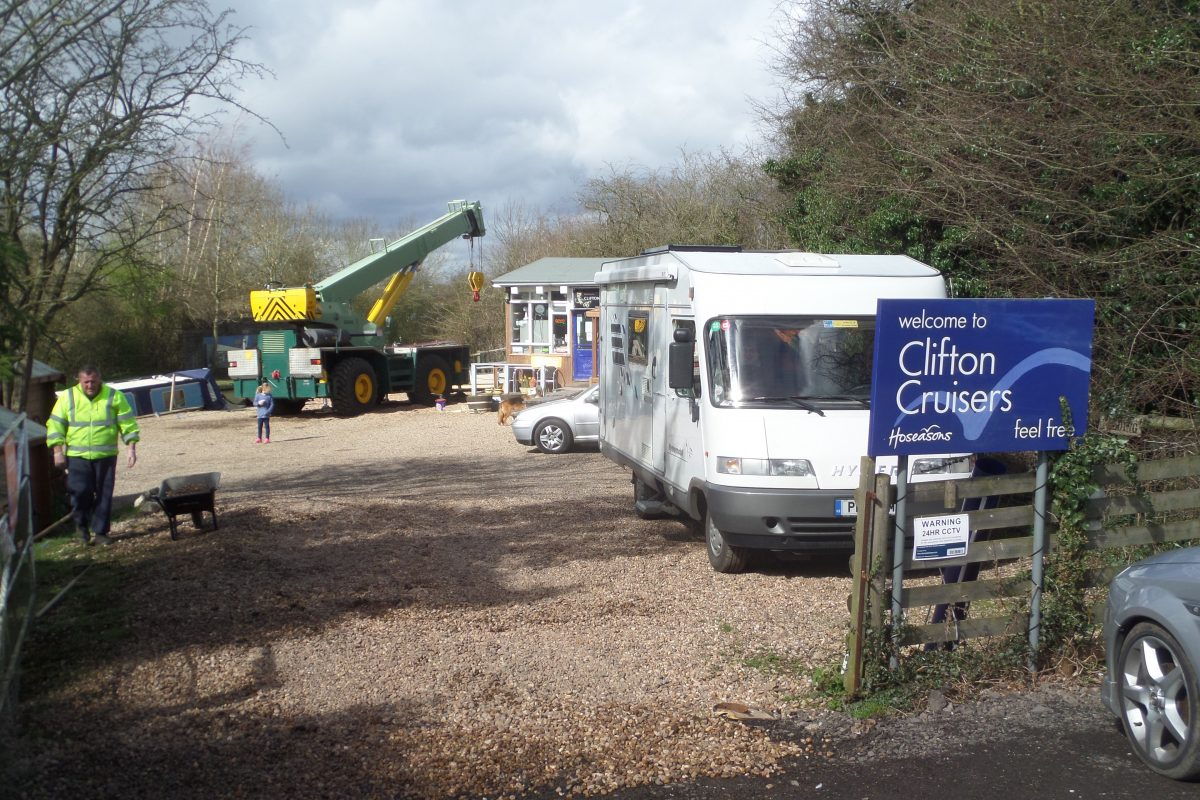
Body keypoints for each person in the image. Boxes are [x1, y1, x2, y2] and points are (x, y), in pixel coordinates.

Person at [46, 365, 140, 546]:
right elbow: (55, 425)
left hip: (106, 456)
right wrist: (57, 452)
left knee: (104, 494)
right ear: (79, 381)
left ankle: (101, 533)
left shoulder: (114, 396)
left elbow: (128, 424)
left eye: (94, 381)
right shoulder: (68, 397)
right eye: (86, 382)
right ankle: (81, 528)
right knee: (80, 492)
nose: (90, 385)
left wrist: (131, 448)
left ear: (100, 379)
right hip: (77, 456)